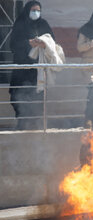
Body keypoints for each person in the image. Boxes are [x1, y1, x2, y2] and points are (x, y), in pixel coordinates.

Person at [9, 0, 55, 130]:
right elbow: (13, 45)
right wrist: (28, 43)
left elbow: (52, 43)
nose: (36, 13)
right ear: (27, 10)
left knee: (38, 97)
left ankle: (36, 125)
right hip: (22, 68)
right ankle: (22, 123)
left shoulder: (44, 24)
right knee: (18, 96)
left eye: (38, 10)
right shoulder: (20, 24)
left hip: (37, 70)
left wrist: (43, 43)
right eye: (33, 10)